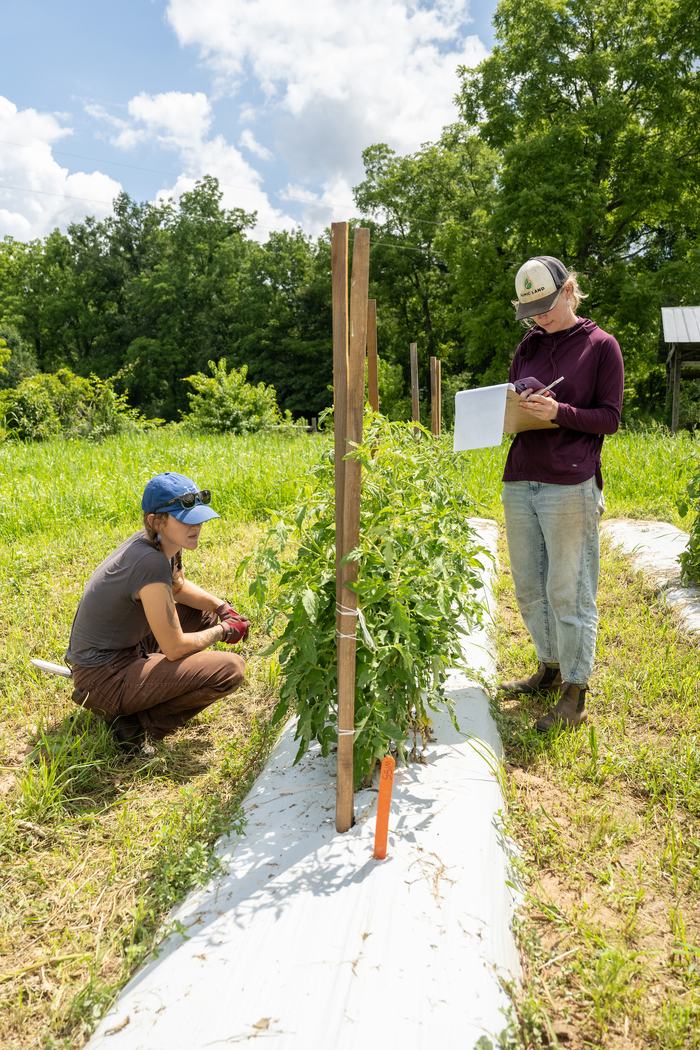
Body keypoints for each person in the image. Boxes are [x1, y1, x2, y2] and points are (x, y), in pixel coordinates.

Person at [498, 256, 624, 731]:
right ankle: (549, 668)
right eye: (531, 309)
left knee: (568, 590)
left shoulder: (600, 346)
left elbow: (609, 418)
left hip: (570, 481)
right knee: (531, 586)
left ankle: (575, 689)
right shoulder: (528, 344)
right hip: (521, 474)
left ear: (570, 290)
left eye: (548, 304)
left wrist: (558, 411)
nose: (540, 316)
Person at [65, 472, 249, 750]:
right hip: (103, 675)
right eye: (185, 519)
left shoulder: (160, 544)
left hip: (125, 650)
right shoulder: (149, 561)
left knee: (205, 615)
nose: (196, 526)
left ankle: (142, 692)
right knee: (229, 670)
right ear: (155, 520)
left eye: (198, 518)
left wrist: (221, 608)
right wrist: (224, 631)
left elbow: (177, 587)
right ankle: (138, 725)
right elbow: (175, 648)